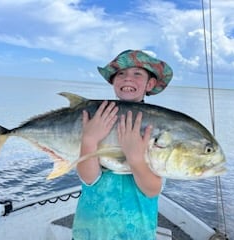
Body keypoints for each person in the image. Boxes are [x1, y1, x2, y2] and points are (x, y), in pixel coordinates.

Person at [72, 49, 173, 240]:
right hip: (89, 233)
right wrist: (89, 140)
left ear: (150, 83)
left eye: (137, 74)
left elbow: (151, 190)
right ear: (113, 81)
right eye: (121, 73)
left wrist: (135, 157)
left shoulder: (156, 126)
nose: (128, 79)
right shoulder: (99, 118)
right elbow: (89, 179)